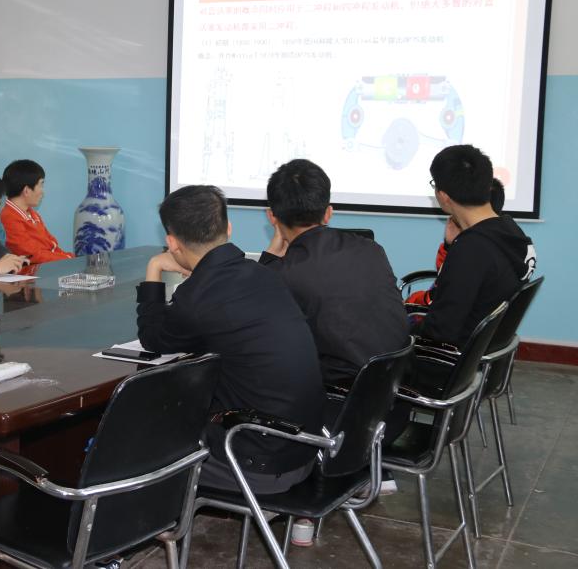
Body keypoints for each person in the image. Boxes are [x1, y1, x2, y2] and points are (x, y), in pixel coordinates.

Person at [136, 185, 324, 495]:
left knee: (137, 446)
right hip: (305, 449)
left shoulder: (197, 295)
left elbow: (153, 338)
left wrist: (154, 268)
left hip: (256, 463)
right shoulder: (263, 275)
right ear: (229, 228)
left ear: (172, 243)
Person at [259, 159, 409, 386]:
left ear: (272, 217)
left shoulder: (283, 274)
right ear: (328, 213)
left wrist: (269, 258)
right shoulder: (371, 248)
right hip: (395, 382)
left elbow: (249, 315)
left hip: (344, 393)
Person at [414, 145, 536, 347]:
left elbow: (440, 330)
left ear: (443, 196)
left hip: (450, 355)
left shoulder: (471, 250)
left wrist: (401, 326)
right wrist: (451, 246)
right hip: (483, 346)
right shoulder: (511, 232)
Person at [406, 178, 506, 306]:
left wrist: (410, 303)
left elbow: (440, 298)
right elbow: (445, 275)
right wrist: (449, 245)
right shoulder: (495, 238)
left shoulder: (473, 250)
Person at [0, 159, 74, 264]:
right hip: (32, 271)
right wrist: (67, 259)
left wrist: (68, 258)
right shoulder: (8, 218)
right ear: (26, 190)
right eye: (41, 185)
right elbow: (32, 254)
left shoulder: (33, 214)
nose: (42, 192)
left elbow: (52, 244)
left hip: (49, 265)